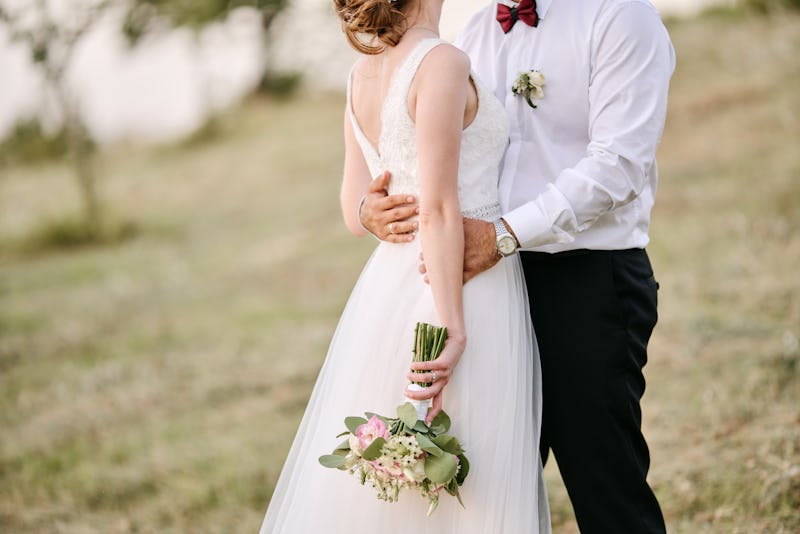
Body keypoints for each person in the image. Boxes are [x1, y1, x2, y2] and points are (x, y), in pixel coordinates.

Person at [360, 0, 676, 532]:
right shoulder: (478, 29)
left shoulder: (620, 16)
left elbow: (620, 164)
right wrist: (371, 207)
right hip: (490, 291)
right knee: (483, 492)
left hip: (586, 281)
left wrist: (506, 234)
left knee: (605, 485)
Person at [260, 0, 550, 531]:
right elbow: (441, 210)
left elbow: (354, 208)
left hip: (388, 285)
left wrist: (370, 211)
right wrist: (453, 325)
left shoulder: (359, 75)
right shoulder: (440, 61)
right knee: (470, 476)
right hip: (457, 284)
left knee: (414, 483)